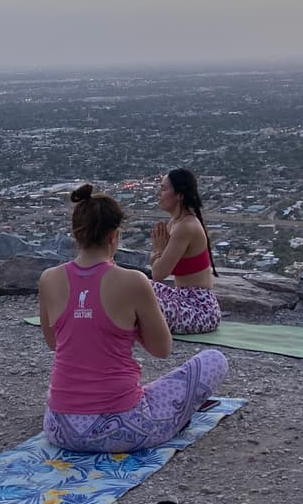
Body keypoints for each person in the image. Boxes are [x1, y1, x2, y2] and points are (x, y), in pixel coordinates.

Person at [40, 184, 228, 453]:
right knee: (214, 360)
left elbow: (54, 343)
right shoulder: (133, 281)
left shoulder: (49, 278)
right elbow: (162, 349)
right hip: (123, 428)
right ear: (115, 236)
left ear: (76, 234)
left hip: (60, 427)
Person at [148, 168, 221, 334]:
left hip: (200, 310)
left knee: (138, 299)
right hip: (182, 298)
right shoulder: (174, 223)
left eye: (164, 189)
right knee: (135, 284)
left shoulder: (186, 227)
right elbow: (156, 268)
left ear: (179, 195)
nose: (159, 193)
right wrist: (157, 254)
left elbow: (158, 274)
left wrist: (157, 250)